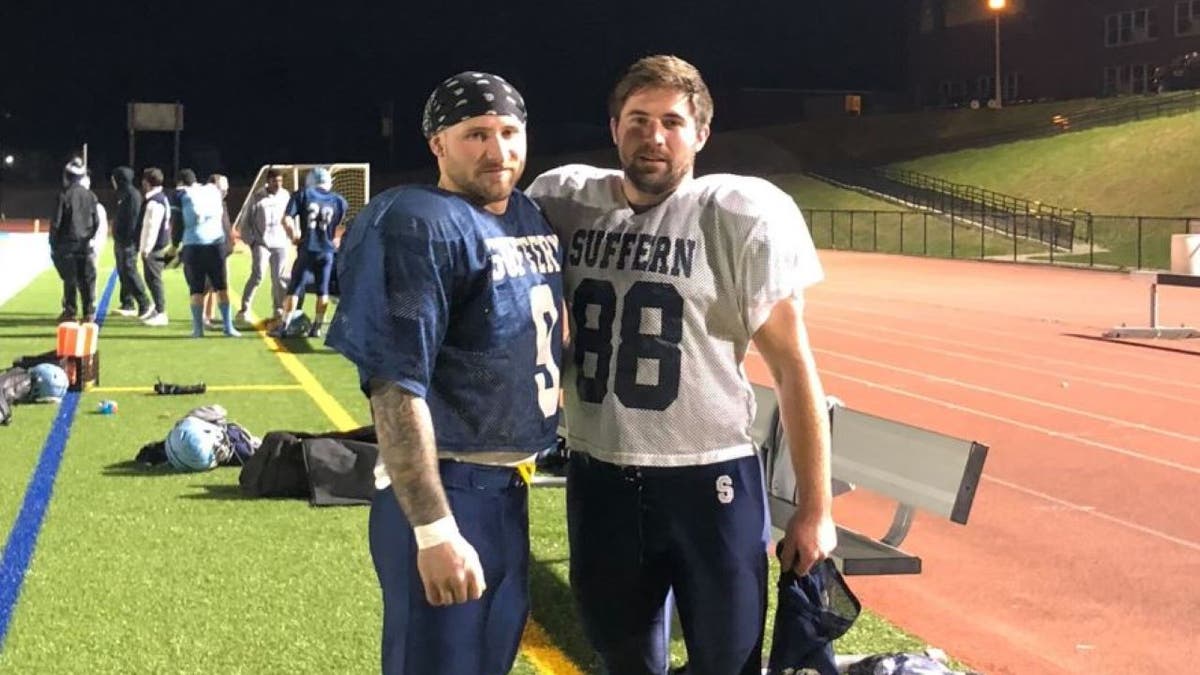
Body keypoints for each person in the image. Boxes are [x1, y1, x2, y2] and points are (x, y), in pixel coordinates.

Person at [527, 54, 836, 675]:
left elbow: (794, 368)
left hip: (710, 479)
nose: (654, 136)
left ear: (701, 134)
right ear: (614, 127)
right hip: (601, 476)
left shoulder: (739, 213)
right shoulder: (562, 201)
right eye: (638, 119)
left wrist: (816, 509)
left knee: (728, 661)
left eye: (672, 120)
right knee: (624, 659)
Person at [325, 71, 563, 675]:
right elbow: (393, 386)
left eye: (510, 131)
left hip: (510, 490)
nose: (498, 149)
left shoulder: (526, 214)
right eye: (476, 134)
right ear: (437, 143)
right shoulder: (414, 222)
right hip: (448, 488)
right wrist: (433, 529)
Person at [270, 166, 347, 338]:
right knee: (323, 290)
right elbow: (337, 225)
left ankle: (285, 325)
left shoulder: (303, 194)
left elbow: (286, 219)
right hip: (327, 250)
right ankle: (317, 326)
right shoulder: (339, 200)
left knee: (295, 289)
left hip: (308, 247)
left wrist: (294, 236)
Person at [177, 168, 239, 337]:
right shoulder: (213, 194)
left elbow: (178, 223)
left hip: (194, 245)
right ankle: (228, 327)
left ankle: (198, 329)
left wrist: (174, 246)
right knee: (221, 287)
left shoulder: (183, 195)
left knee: (196, 289)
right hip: (215, 245)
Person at [49, 158, 101, 323]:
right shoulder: (91, 195)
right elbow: (96, 221)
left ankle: (70, 312)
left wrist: (53, 243)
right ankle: (88, 312)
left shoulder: (63, 195)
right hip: (84, 244)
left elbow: (56, 223)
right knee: (86, 279)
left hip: (67, 244)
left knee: (70, 280)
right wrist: (89, 236)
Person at [236, 167, 291, 323]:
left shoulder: (286, 196)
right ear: (268, 181)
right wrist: (251, 241)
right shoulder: (257, 197)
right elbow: (245, 223)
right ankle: (244, 309)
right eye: (275, 181)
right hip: (262, 243)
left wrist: (293, 234)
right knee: (258, 274)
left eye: (280, 181)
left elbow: (291, 217)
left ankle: (278, 310)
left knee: (279, 278)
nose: (278, 184)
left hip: (280, 243)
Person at [109, 166, 153, 319]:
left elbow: (133, 220)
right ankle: (127, 303)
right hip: (121, 240)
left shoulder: (132, 195)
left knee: (129, 270)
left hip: (128, 241)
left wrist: (129, 238)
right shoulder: (122, 194)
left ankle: (145, 303)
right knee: (123, 271)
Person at [138, 167, 172, 327]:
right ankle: (158, 309)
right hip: (160, 244)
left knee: (154, 279)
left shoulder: (154, 202)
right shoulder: (162, 197)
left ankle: (161, 311)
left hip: (155, 246)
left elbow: (151, 227)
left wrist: (146, 248)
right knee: (151, 279)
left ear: (146, 182)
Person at [201, 173, 234, 327]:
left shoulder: (221, 203)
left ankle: (210, 314)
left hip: (222, 249)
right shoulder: (205, 203)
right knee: (206, 285)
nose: (225, 193)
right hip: (210, 248)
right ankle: (202, 317)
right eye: (222, 189)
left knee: (217, 286)